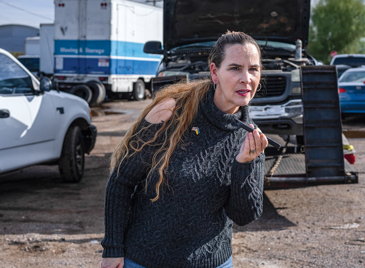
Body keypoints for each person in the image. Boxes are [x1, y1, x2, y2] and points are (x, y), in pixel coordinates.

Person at [100, 31, 269, 268]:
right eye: (235, 68)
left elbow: (244, 216)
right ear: (214, 72)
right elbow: (121, 181)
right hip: (145, 260)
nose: (246, 78)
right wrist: (112, 248)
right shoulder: (171, 112)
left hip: (213, 263)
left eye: (253, 69)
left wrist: (244, 164)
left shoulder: (251, 138)